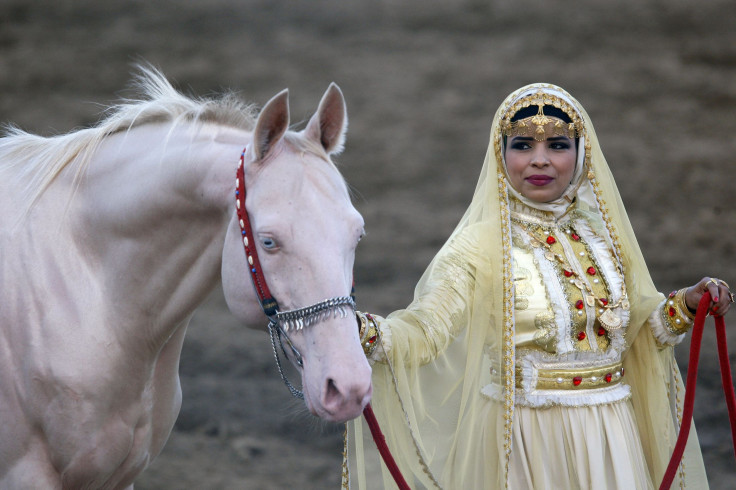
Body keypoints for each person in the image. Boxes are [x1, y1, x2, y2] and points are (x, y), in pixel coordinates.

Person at [343, 83, 733, 489]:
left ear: (582, 153)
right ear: (501, 153)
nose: (540, 161)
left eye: (558, 146)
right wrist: (361, 332)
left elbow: (638, 331)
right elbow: (426, 332)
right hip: (525, 439)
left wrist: (688, 304)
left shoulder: (601, 234)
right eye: (523, 145)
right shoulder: (477, 244)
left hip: (611, 432)